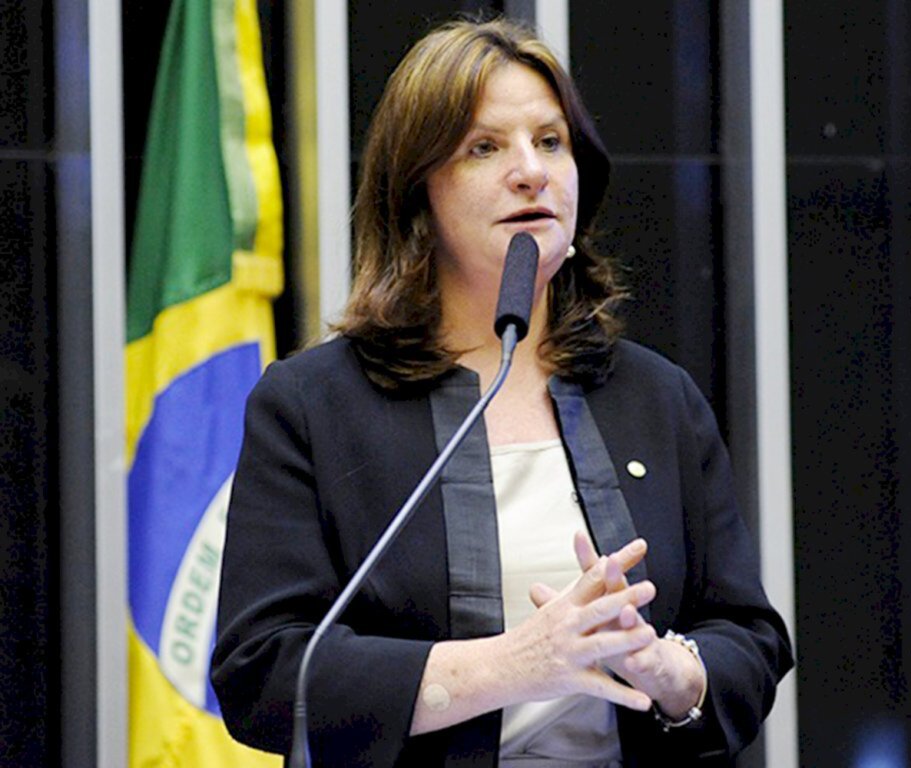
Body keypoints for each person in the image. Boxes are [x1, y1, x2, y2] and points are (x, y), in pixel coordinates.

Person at [211, 17, 792, 767]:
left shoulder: (655, 397)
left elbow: (750, 637)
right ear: (418, 195)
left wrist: (671, 669)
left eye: (551, 142)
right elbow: (263, 672)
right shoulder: (313, 406)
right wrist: (512, 665)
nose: (531, 171)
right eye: (484, 147)